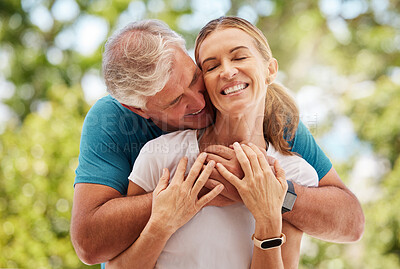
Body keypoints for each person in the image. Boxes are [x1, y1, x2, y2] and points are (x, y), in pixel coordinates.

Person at [70, 19, 364, 267]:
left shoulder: (273, 119)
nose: (199, 101)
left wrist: (272, 193)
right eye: (175, 101)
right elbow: (89, 243)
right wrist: (190, 189)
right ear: (139, 110)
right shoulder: (119, 126)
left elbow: (350, 221)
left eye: (194, 78)